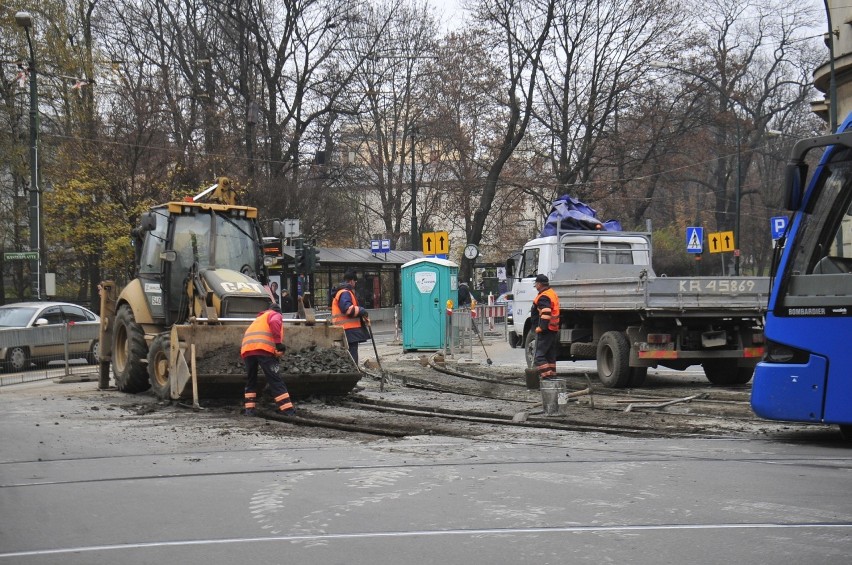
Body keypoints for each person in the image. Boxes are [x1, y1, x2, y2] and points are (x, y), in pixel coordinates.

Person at [240, 302, 295, 416]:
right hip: (262, 350)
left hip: (247, 350)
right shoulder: (275, 315)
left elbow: (262, 336)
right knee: (275, 380)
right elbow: (274, 322)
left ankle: (249, 410)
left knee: (251, 381)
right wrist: (278, 344)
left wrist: (274, 352)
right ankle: (287, 410)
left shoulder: (260, 318)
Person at [331, 270, 369, 364]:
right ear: (351, 281)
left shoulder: (342, 292)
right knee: (352, 353)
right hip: (348, 329)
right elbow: (348, 309)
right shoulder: (345, 293)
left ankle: (350, 370)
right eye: (355, 281)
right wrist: (361, 310)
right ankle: (353, 371)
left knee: (347, 353)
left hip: (345, 328)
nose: (355, 283)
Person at [530, 274, 560, 381]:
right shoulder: (551, 293)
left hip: (546, 330)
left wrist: (541, 327)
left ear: (539, 284)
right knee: (550, 355)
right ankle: (552, 375)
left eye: (536, 284)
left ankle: (547, 377)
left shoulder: (544, 296)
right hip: (552, 329)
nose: (535, 286)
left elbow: (546, 312)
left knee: (539, 356)